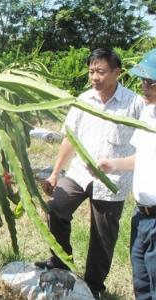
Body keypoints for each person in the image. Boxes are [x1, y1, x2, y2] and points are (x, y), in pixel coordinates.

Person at [35, 48, 144, 299]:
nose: (95, 77)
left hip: (112, 181)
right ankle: (61, 261)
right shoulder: (83, 99)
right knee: (56, 208)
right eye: (92, 71)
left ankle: (94, 286)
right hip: (79, 173)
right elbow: (69, 138)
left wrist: (121, 164)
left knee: (103, 236)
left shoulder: (134, 103)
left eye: (101, 71)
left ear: (117, 72)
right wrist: (54, 173)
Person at [98, 49, 156, 300]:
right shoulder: (147, 113)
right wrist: (114, 165)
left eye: (150, 82)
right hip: (141, 215)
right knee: (142, 284)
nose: (143, 86)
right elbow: (143, 157)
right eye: (142, 80)